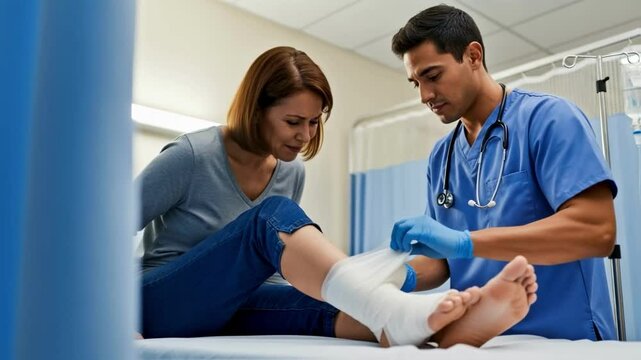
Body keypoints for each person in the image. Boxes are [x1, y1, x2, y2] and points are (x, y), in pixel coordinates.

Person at [136, 46, 538, 348]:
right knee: (270, 218)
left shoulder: (290, 170)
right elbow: (94, 237)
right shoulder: (191, 157)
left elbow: (276, 267)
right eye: (293, 122)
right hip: (160, 303)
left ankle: (445, 330)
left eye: (314, 122)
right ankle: (386, 305)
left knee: (329, 300)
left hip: (229, 305)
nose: (306, 136)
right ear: (256, 111)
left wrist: (304, 296)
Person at [388, 4, 617, 341]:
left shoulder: (549, 119)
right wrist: (393, 276)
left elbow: (596, 231)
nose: (425, 96)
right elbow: (444, 261)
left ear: (473, 56)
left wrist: (466, 242)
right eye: (416, 83)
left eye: (433, 76)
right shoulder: (442, 157)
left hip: (564, 338)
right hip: (480, 341)